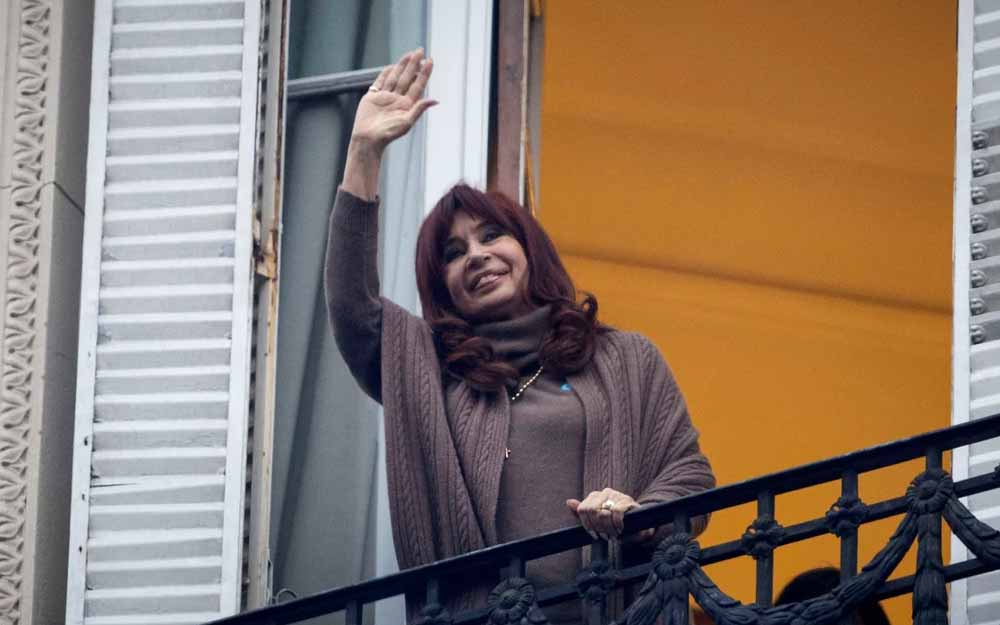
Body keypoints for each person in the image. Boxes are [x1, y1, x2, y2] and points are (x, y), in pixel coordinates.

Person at [325, 47, 716, 624]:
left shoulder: (626, 358)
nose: (476, 255)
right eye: (453, 253)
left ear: (529, 249)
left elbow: (691, 477)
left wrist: (639, 512)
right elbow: (353, 310)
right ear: (443, 288)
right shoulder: (431, 373)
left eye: (491, 236)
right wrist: (363, 154)